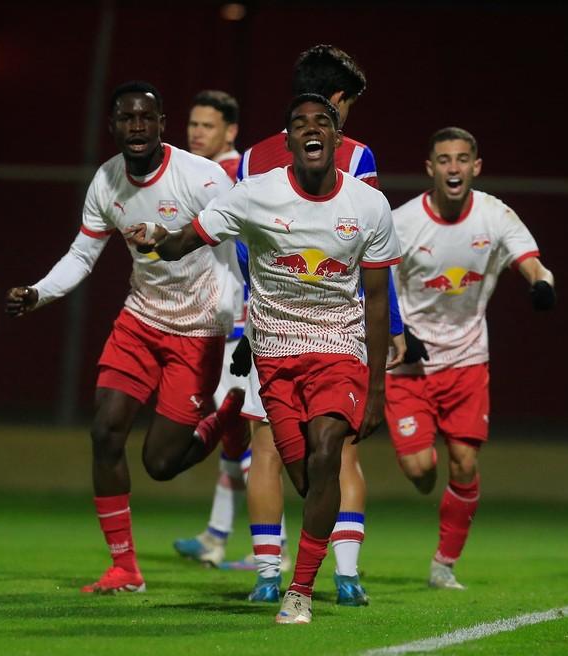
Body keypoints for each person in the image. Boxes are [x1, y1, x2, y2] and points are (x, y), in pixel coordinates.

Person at [129, 93, 400, 625]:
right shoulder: (255, 195)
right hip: (273, 355)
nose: (312, 130)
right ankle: (300, 558)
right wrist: (158, 241)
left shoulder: (369, 206)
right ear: (288, 141)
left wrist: (376, 387)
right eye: (300, 124)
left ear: (338, 139)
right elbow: (192, 237)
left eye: (323, 122)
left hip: (338, 350)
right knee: (305, 478)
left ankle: (298, 591)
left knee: (327, 451)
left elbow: (376, 299)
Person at [6, 81, 239, 594]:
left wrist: (238, 312)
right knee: (105, 431)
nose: (136, 127)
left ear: (162, 125)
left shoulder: (203, 178)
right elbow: (82, 255)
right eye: (126, 118)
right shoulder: (106, 182)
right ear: (112, 126)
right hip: (139, 322)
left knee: (160, 464)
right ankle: (125, 568)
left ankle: (224, 416)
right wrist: (39, 293)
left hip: (198, 331)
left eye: (146, 118)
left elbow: (246, 239)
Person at [193, 44, 404, 606]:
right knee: (336, 451)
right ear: (337, 101)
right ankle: (347, 571)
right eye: (348, 104)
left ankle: (268, 574)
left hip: (261, 318)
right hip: (336, 324)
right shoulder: (355, 154)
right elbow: (368, 253)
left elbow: (244, 240)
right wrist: (392, 328)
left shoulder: (254, 158)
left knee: (265, 448)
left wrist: (254, 304)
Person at [387, 127, 555, 590]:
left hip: (467, 359)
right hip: (408, 363)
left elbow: (531, 259)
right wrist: (399, 333)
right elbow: (377, 283)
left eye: (463, 159)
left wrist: (541, 284)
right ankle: (429, 483)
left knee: (464, 462)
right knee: (421, 472)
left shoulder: (496, 215)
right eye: (444, 160)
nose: (454, 168)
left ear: (476, 167)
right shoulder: (403, 223)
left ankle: (444, 563)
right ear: (430, 168)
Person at [173, 88, 255, 570]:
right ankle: (217, 536)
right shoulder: (207, 173)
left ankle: (276, 546)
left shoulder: (229, 175)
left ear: (230, 131)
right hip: (215, 317)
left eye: (207, 125)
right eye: (192, 125)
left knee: (237, 425)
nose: (196, 133)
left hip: (238, 320)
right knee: (232, 435)